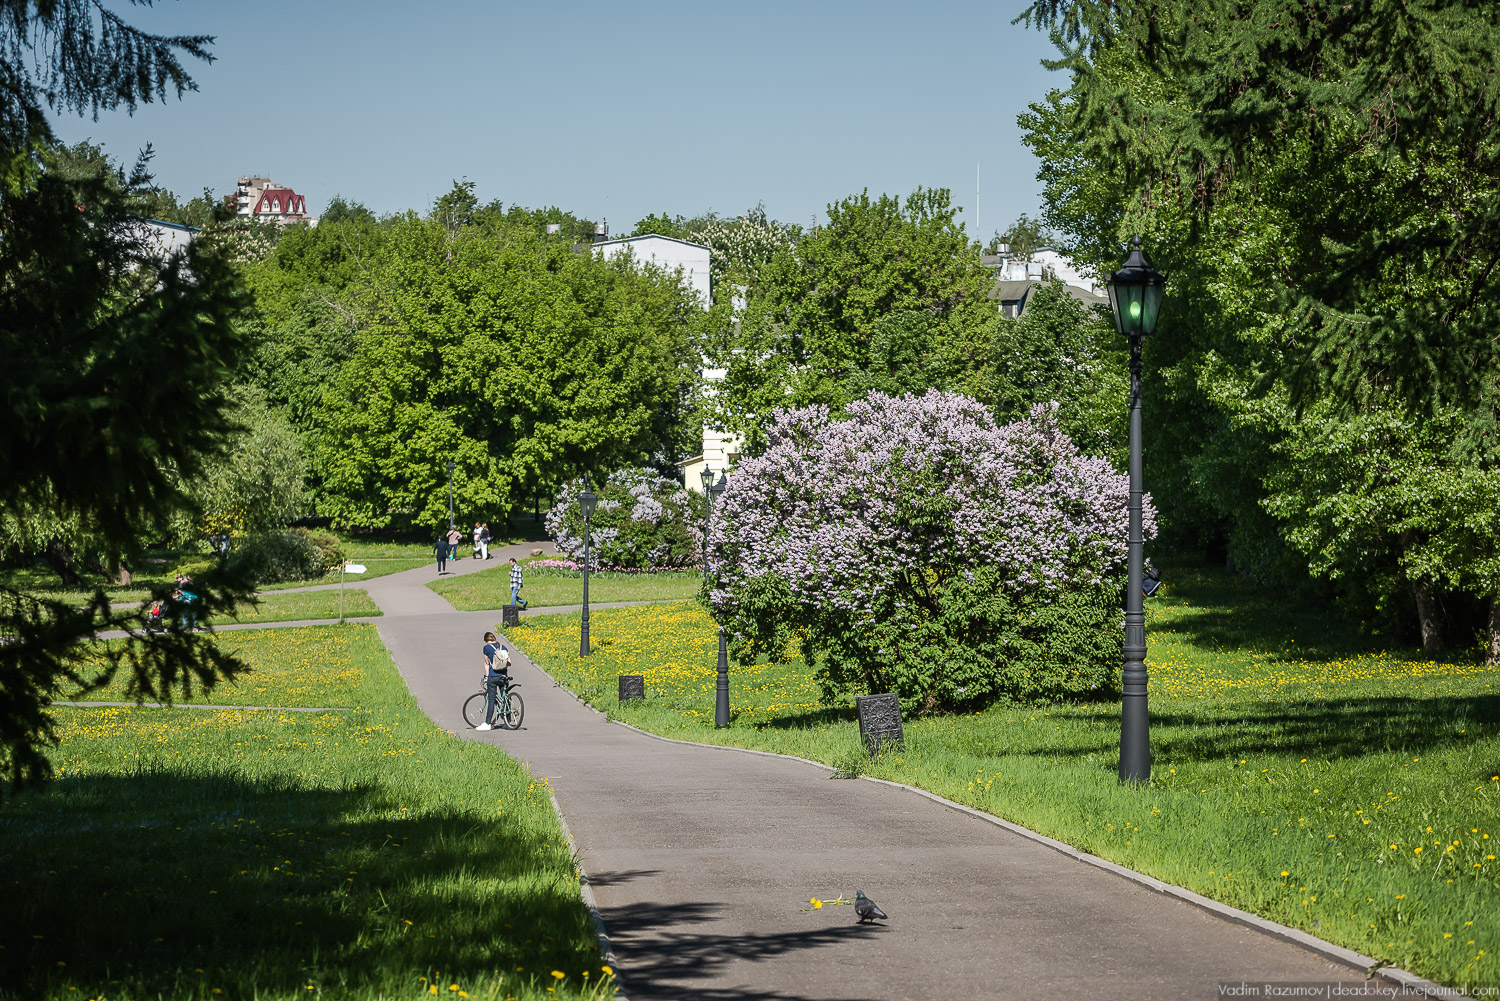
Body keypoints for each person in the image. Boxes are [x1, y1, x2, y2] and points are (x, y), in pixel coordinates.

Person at [476, 630, 511, 731]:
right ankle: (508, 722)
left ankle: (487, 723)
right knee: (506, 698)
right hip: (504, 676)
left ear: (486, 641)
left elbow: (486, 663)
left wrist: (486, 677)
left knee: (491, 700)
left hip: (493, 677)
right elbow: (509, 663)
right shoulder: (503, 647)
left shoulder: (486, 648)